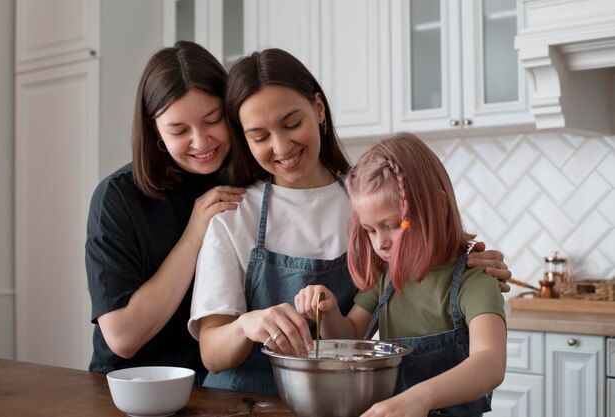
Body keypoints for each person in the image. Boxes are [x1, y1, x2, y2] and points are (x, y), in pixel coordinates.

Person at [188, 48, 510, 395]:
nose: (281, 146)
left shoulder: (367, 199)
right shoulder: (234, 217)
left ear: (319, 109)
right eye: (260, 136)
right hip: (240, 402)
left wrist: (470, 267)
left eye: (292, 123)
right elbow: (212, 353)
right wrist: (246, 325)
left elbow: (426, 249)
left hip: (336, 403)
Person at [295, 133, 507, 417]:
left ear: (439, 206)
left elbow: (490, 362)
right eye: (369, 230)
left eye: (394, 225)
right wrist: (329, 311)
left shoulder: (474, 279)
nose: (380, 242)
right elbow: (351, 338)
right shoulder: (387, 277)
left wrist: (421, 397)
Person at [85, 41, 245, 379]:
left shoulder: (245, 181)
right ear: (154, 128)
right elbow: (122, 336)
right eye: (179, 130)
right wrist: (193, 235)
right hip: (129, 386)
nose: (201, 142)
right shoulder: (117, 198)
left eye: (212, 120)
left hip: (215, 385)